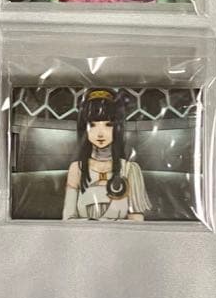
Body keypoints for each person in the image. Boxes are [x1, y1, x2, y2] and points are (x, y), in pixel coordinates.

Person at [62, 89, 150, 221]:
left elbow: (136, 219)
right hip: (82, 233)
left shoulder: (129, 169)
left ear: (117, 128)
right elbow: (68, 218)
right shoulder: (77, 169)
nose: (100, 133)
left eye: (108, 125)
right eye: (92, 125)